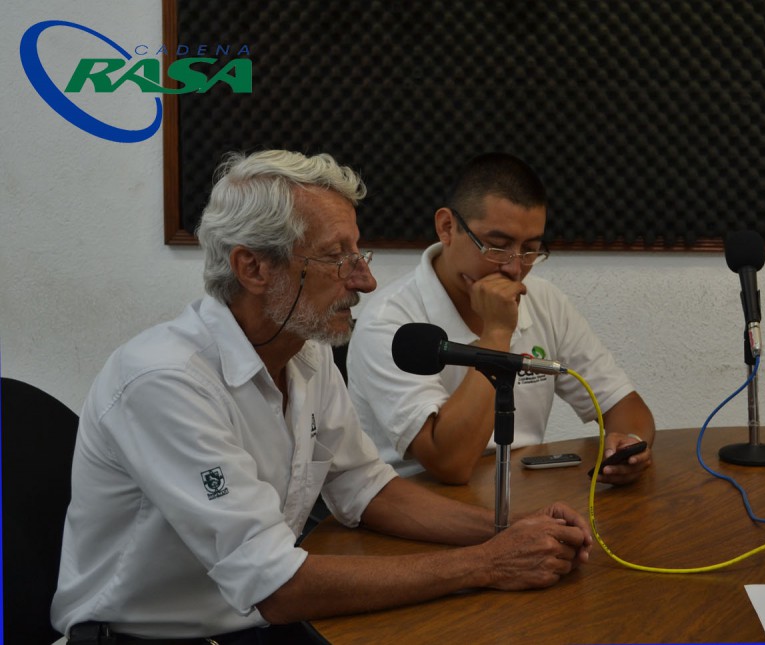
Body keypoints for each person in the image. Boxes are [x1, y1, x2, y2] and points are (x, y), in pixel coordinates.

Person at [50, 150, 592, 643]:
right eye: (337, 257)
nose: (365, 281)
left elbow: (364, 485)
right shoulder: (163, 381)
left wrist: (509, 531)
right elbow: (276, 585)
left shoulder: (304, 351)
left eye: (360, 252)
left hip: (254, 623)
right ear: (253, 267)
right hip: (145, 638)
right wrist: (487, 564)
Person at [347, 153, 656, 486]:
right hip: (419, 507)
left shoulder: (544, 299)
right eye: (497, 246)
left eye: (530, 250)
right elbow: (450, 463)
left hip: (522, 490)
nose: (513, 268)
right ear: (447, 227)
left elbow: (623, 403)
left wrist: (629, 443)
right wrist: (496, 334)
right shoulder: (388, 321)